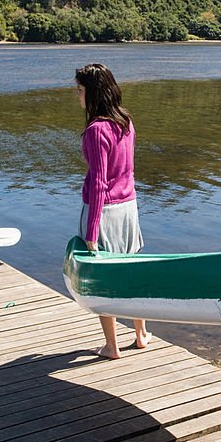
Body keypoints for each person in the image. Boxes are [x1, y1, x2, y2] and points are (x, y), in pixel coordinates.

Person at [75, 64, 151, 359]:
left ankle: (112, 346)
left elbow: (98, 182)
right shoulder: (126, 122)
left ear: (92, 92)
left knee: (102, 279)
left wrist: (92, 230)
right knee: (131, 271)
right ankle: (141, 333)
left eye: (80, 90)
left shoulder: (96, 130)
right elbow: (128, 170)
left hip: (104, 212)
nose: (77, 95)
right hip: (128, 208)